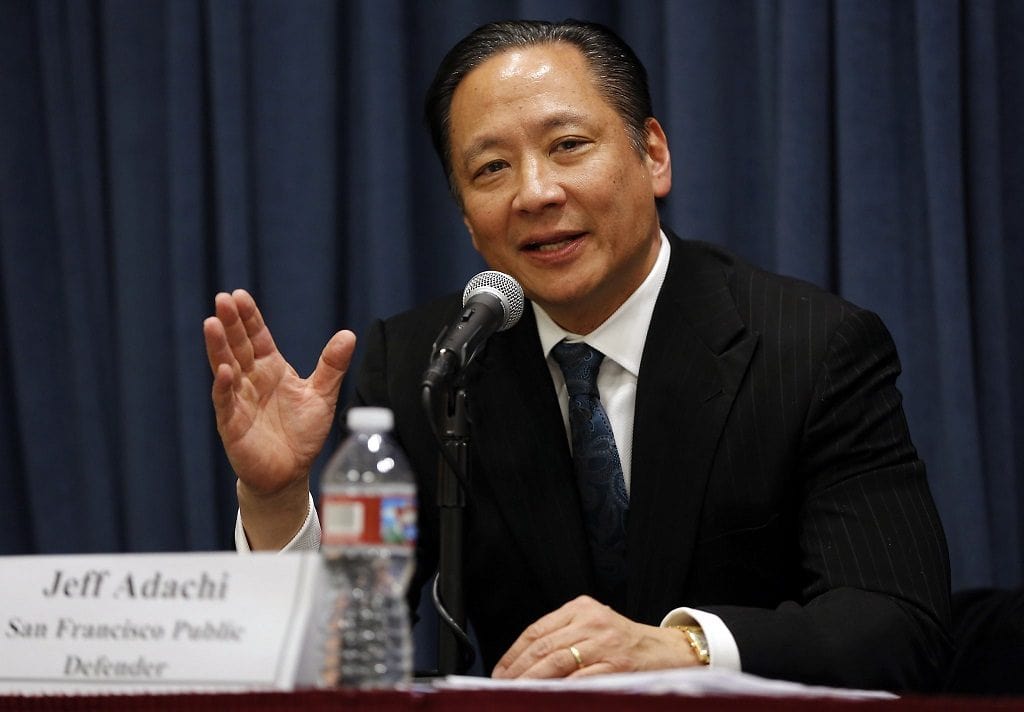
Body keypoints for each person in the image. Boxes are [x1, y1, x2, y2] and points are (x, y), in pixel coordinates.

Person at [203, 19, 951, 690]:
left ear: (652, 155)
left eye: (568, 146)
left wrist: (684, 647)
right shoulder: (431, 366)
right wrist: (276, 499)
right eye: (491, 168)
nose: (534, 193)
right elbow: (345, 655)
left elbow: (896, 622)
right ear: (468, 219)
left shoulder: (811, 348)